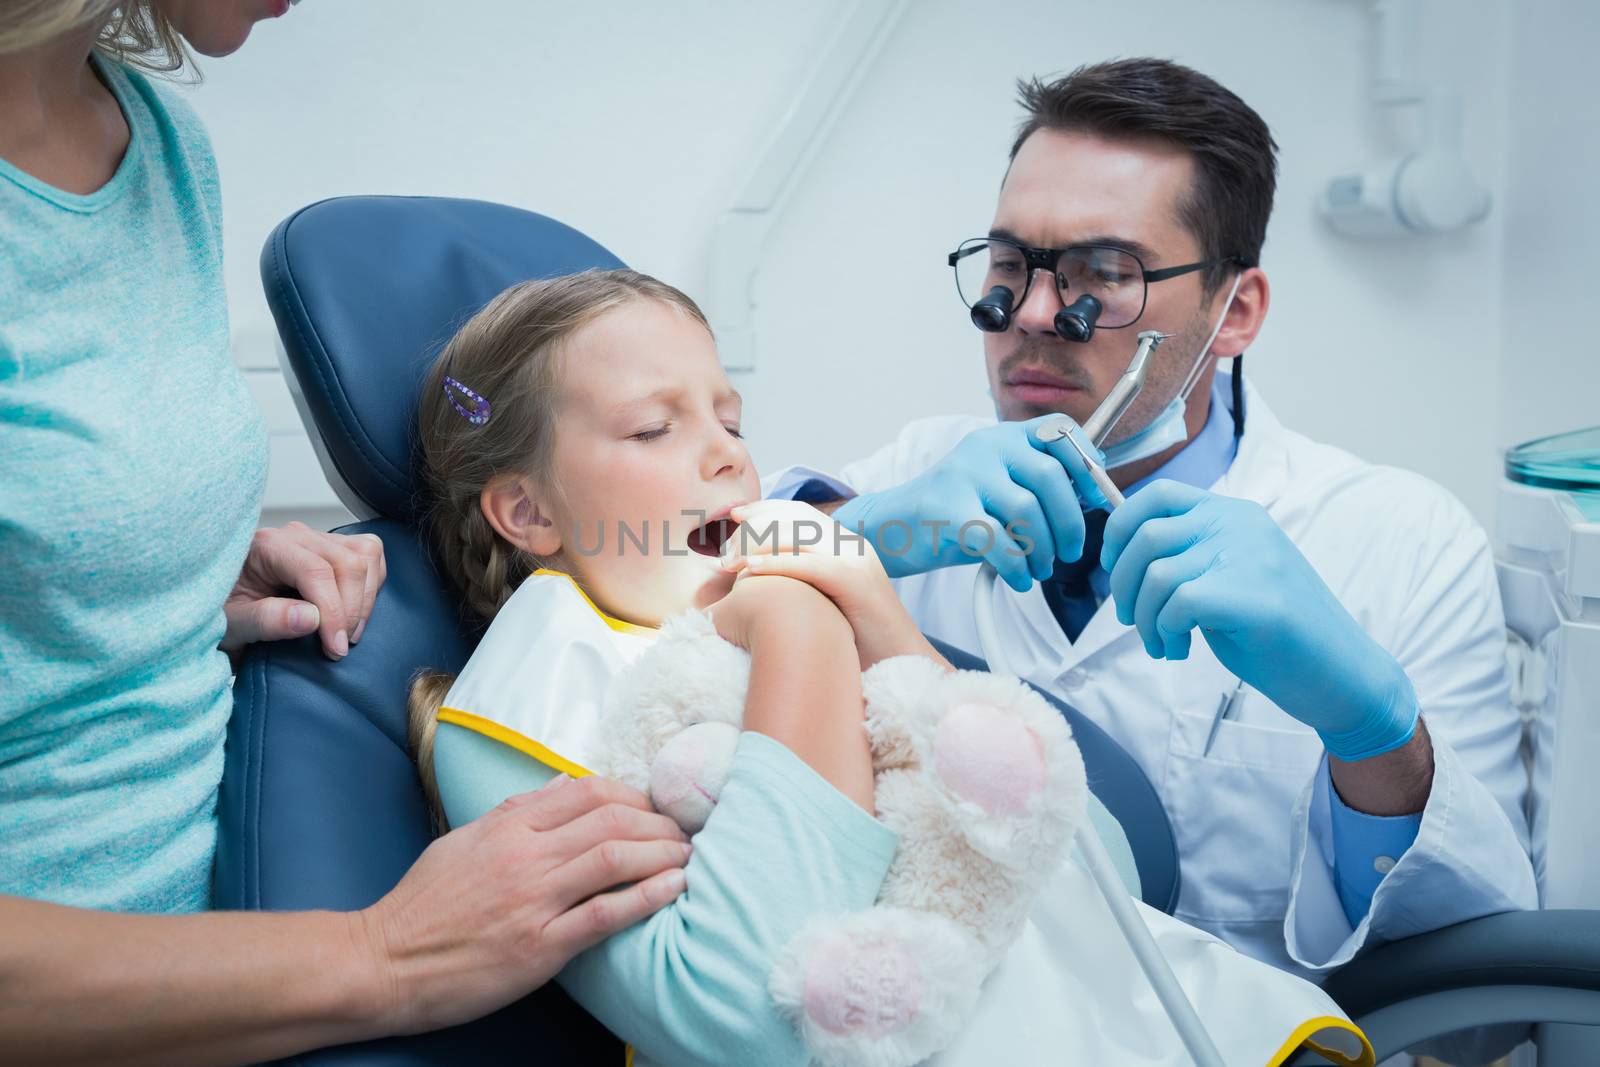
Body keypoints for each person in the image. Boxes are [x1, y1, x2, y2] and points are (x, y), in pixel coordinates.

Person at [403, 269, 1372, 1067]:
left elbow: (1097, 884)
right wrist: (800, 623)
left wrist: (874, 610)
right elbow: (745, 1014)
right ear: (526, 512)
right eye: (655, 429)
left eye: (731, 419)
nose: (726, 459)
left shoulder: (773, 616)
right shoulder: (535, 694)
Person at [0, 4, 686, 1063]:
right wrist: (388, 953)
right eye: (653, 425)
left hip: (249, 947)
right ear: (523, 507)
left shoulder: (152, 139)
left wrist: (153, 574)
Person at [769, 57, 1537, 979]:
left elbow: (1483, 1007)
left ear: (1236, 308)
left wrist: (1371, 728)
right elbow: (660, 592)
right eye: (1013, 264)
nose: (1038, 314)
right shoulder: (914, 474)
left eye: (1106, 272)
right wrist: (865, 532)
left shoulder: (1404, 542)